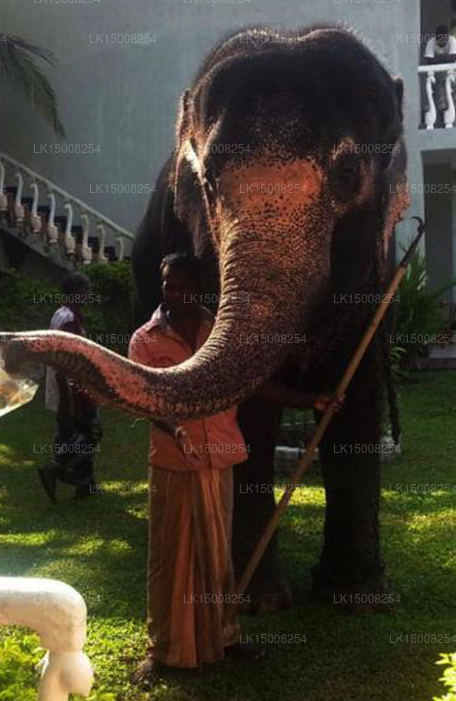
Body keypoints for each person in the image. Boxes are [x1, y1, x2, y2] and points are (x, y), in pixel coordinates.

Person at [127, 253, 337, 684]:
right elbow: (144, 398)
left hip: (219, 457)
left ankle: (225, 636)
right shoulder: (145, 340)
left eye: (183, 285)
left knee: (218, 553)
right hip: (173, 463)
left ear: (199, 289)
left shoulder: (222, 333)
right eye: (168, 284)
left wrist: (310, 400)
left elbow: (254, 384)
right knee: (169, 558)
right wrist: (173, 428)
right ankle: (164, 647)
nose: (174, 293)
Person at [39, 271, 101, 502]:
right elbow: (65, 362)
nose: (89, 294)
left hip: (68, 387)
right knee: (90, 432)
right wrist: (69, 396)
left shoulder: (63, 314)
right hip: (73, 389)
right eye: (86, 290)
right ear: (75, 293)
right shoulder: (69, 321)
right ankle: (56, 467)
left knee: (70, 433)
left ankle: (86, 484)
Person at [421, 25, 456, 128]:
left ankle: (455, 124)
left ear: (447, 37)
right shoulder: (431, 42)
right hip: (438, 77)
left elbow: (453, 58)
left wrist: (438, 58)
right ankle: (441, 124)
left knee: (454, 100)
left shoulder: (452, 40)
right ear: (436, 37)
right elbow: (428, 61)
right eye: (440, 39)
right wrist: (445, 58)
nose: (442, 42)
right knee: (440, 101)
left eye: (445, 39)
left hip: (454, 76)